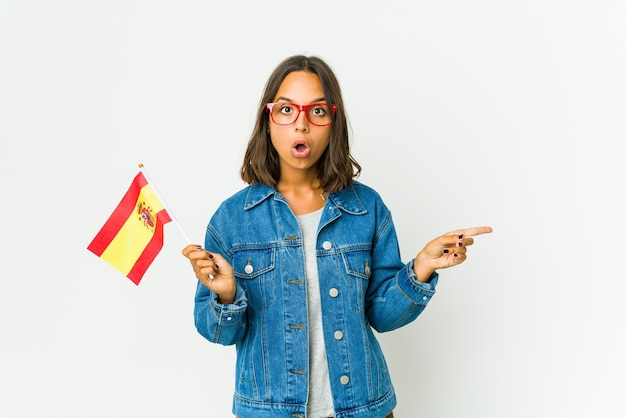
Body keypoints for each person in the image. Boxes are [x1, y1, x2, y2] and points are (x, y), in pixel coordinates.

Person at [182, 54, 492, 418]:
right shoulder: (233, 219)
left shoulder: (366, 208)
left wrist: (420, 268)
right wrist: (227, 296)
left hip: (364, 408)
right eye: (286, 110)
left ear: (333, 121)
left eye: (316, 111)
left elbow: (382, 315)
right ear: (268, 121)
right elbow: (217, 333)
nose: (301, 125)